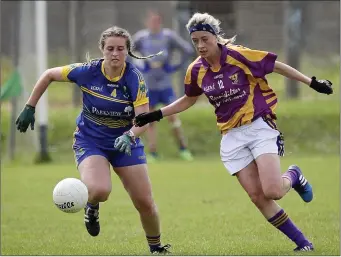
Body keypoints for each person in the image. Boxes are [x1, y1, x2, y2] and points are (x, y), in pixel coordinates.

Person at [133, 12, 333, 252]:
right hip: (231, 136)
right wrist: (156, 114)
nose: (200, 45)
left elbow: (276, 66)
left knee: (273, 191)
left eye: (204, 39)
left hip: (259, 126)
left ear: (216, 37)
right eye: (195, 40)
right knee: (258, 198)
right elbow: (189, 99)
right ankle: (303, 244)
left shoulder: (239, 55)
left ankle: (294, 175)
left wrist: (312, 82)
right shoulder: (196, 70)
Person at [15, 26, 171, 254]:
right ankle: (92, 207)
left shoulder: (135, 78)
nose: (115, 53)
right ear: (102, 50)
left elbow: (143, 120)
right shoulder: (87, 71)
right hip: (91, 141)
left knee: (145, 203)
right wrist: (30, 106)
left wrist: (129, 136)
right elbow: (49, 75)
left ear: (127, 51)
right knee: (99, 190)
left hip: (126, 143)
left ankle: (156, 248)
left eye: (120, 49)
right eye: (110, 49)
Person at [132, 9, 195, 162]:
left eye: (157, 20)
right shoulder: (141, 37)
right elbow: (128, 51)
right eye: (151, 21)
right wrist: (140, 66)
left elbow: (187, 50)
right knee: (150, 120)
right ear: (147, 22)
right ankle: (153, 153)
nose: (154, 24)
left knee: (173, 118)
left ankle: (183, 149)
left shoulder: (168, 36)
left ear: (160, 21)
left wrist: (174, 66)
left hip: (165, 85)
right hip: (149, 86)